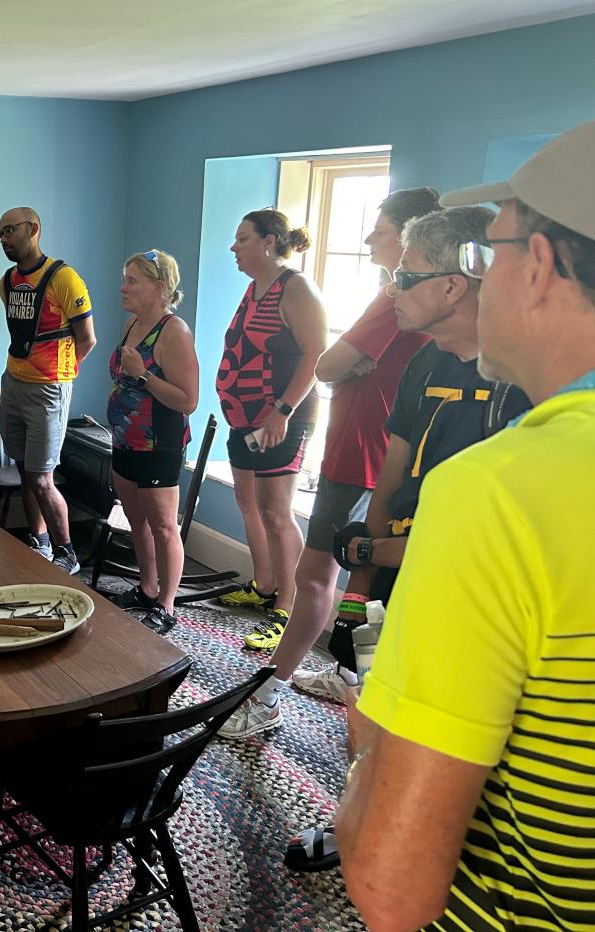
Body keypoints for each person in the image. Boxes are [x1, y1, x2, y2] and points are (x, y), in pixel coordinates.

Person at [339, 121, 595, 930]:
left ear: (544, 267)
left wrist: (367, 755)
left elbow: (390, 889)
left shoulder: (499, 490)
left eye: (491, 252)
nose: (477, 278)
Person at [282, 205, 529, 876]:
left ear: (453, 285)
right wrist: (364, 579)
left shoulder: (521, 382)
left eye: (403, 275)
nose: (391, 290)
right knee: (372, 707)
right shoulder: (422, 365)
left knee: (447, 735)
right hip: (392, 573)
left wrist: (372, 554)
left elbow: (490, 533)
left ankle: (435, 851)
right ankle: (354, 820)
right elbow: (391, 477)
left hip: (467, 595)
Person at [218, 187, 438, 739]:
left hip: (362, 452)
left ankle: (267, 695)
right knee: (363, 575)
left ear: (410, 239)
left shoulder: (395, 298)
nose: (368, 238)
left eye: (380, 229)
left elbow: (330, 362)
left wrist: (337, 373)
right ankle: (348, 672)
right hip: (369, 449)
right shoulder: (402, 296)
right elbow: (341, 363)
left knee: (317, 575)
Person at [214, 209, 327, 651]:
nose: (234, 247)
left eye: (242, 239)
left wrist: (281, 410)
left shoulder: (295, 287)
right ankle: (262, 585)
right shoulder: (254, 288)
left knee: (278, 512)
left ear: (268, 241)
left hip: (282, 419)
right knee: (248, 501)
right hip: (245, 417)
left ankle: (286, 607)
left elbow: (317, 354)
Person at [0, 206, 96, 575]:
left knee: (41, 476)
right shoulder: (6, 282)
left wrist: (60, 376)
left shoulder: (64, 279)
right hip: (13, 383)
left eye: (10, 230)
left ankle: (67, 553)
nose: (4, 239)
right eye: (0, 234)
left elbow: (87, 339)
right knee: (23, 469)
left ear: (33, 229)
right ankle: (38, 543)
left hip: (47, 391)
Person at [105, 249, 199, 631]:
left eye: (132, 280)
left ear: (158, 287)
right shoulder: (132, 324)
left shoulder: (173, 331)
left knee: (163, 526)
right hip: (124, 440)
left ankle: (167, 603)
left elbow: (188, 401)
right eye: (125, 278)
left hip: (158, 443)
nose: (123, 287)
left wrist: (142, 374)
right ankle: (146, 587)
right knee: (135, 520)